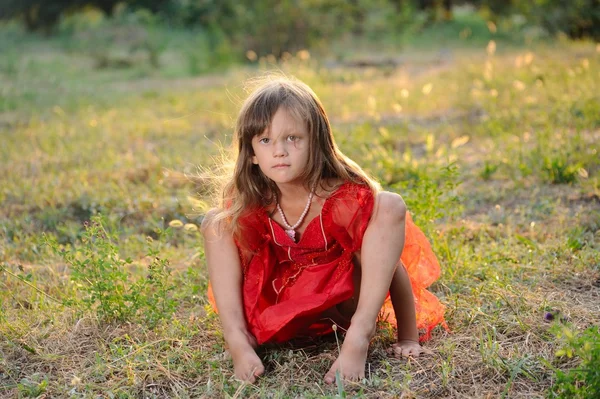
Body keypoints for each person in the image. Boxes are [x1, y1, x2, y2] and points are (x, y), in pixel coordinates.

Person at [201, 76, 446, 384]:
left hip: (343, 307)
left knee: (388, 205)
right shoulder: (253, 204)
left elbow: (389, 264)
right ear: (251, 153)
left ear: (315, 141)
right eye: (265, 141)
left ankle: (359, 336)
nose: (279, 151)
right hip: (279, 314)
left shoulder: (340, 200)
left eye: (292, 138)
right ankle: (237, 340)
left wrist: (408, 336)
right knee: (215, 221)